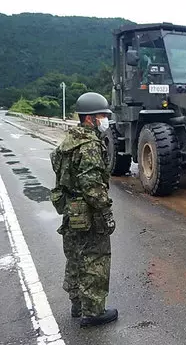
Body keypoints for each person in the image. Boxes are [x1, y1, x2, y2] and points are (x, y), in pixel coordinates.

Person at [50, 92, 118, 328]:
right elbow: (92, 187)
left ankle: (77, 304)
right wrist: (106, 212)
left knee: (75, 257)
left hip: (71, 209)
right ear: (89, 119)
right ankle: (94, 311)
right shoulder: (89, 146)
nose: (105, 120)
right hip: (88, 212)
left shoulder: (67, 142)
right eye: (102, 116)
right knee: (95, 259)